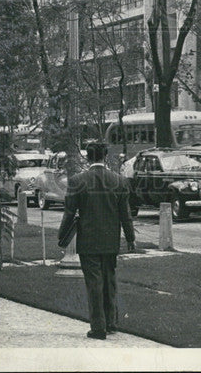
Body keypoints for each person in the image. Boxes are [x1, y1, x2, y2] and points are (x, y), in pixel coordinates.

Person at [57, 141, 136, 340]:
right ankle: (111, 323)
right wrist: (130, 238)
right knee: (110, 280)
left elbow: (69, 212)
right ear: (105, 156)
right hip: (110, 240)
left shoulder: (77, 181)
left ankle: (98, 326)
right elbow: (125, 215)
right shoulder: (119, 181)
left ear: (88, 157)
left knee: (94, 282)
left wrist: (62, 236)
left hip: (88, 240)